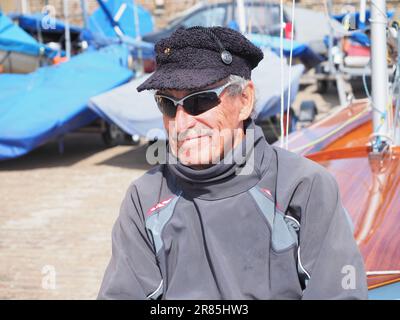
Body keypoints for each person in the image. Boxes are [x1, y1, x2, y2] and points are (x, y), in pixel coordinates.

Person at [98, 26, 368, 299]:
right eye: (167, 104)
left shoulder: (303, 187)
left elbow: (340, 293)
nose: (181, 124)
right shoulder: (143, 198)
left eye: (200, 101)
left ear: (244, 100)